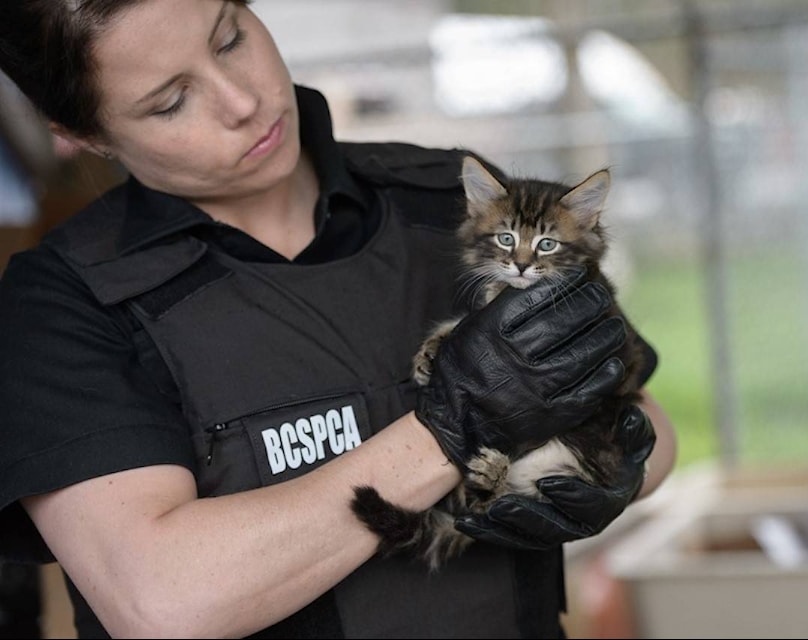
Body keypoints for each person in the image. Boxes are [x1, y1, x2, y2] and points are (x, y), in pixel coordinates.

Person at [0, 1, 677, 637]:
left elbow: (650, 429)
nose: (244, 102)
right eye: (171, 101)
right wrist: (455, 427)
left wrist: (613, 464)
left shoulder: (457, 202)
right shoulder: (65, 304)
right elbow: (157, 602)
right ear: (83, 135)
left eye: (230, 37)